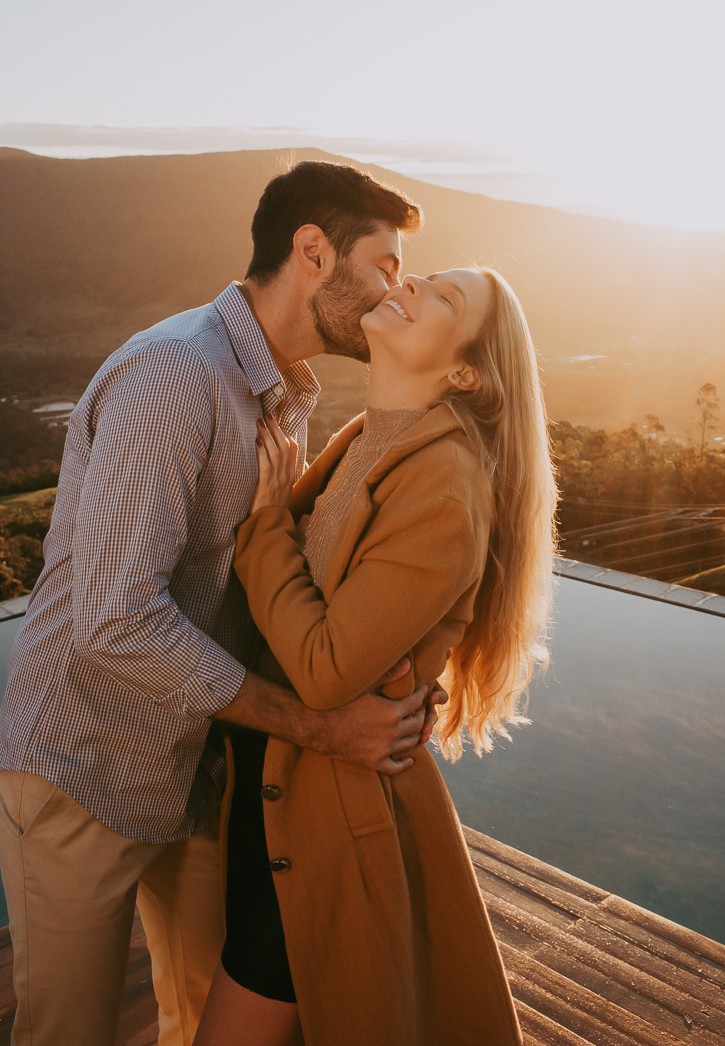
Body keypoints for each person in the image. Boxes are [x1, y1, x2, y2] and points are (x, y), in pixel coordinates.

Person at [0, 160, 438, 1046]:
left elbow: (265, 579)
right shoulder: (176, 375)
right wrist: (318, 727)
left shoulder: (286, 395)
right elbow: (117, 619)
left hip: (196, 768)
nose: (399, 290)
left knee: (212, 1017)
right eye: (385, 265)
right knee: (68, 1031)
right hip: (80, 765)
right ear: (313, 250)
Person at [194, 266, 558, 1046]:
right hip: (275, 790)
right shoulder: (368, 437)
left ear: (463, 371)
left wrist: (262, 526)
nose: (414, 281)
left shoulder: (443, 482)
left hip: (327, 815)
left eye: (444, 298)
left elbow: (325, 670)